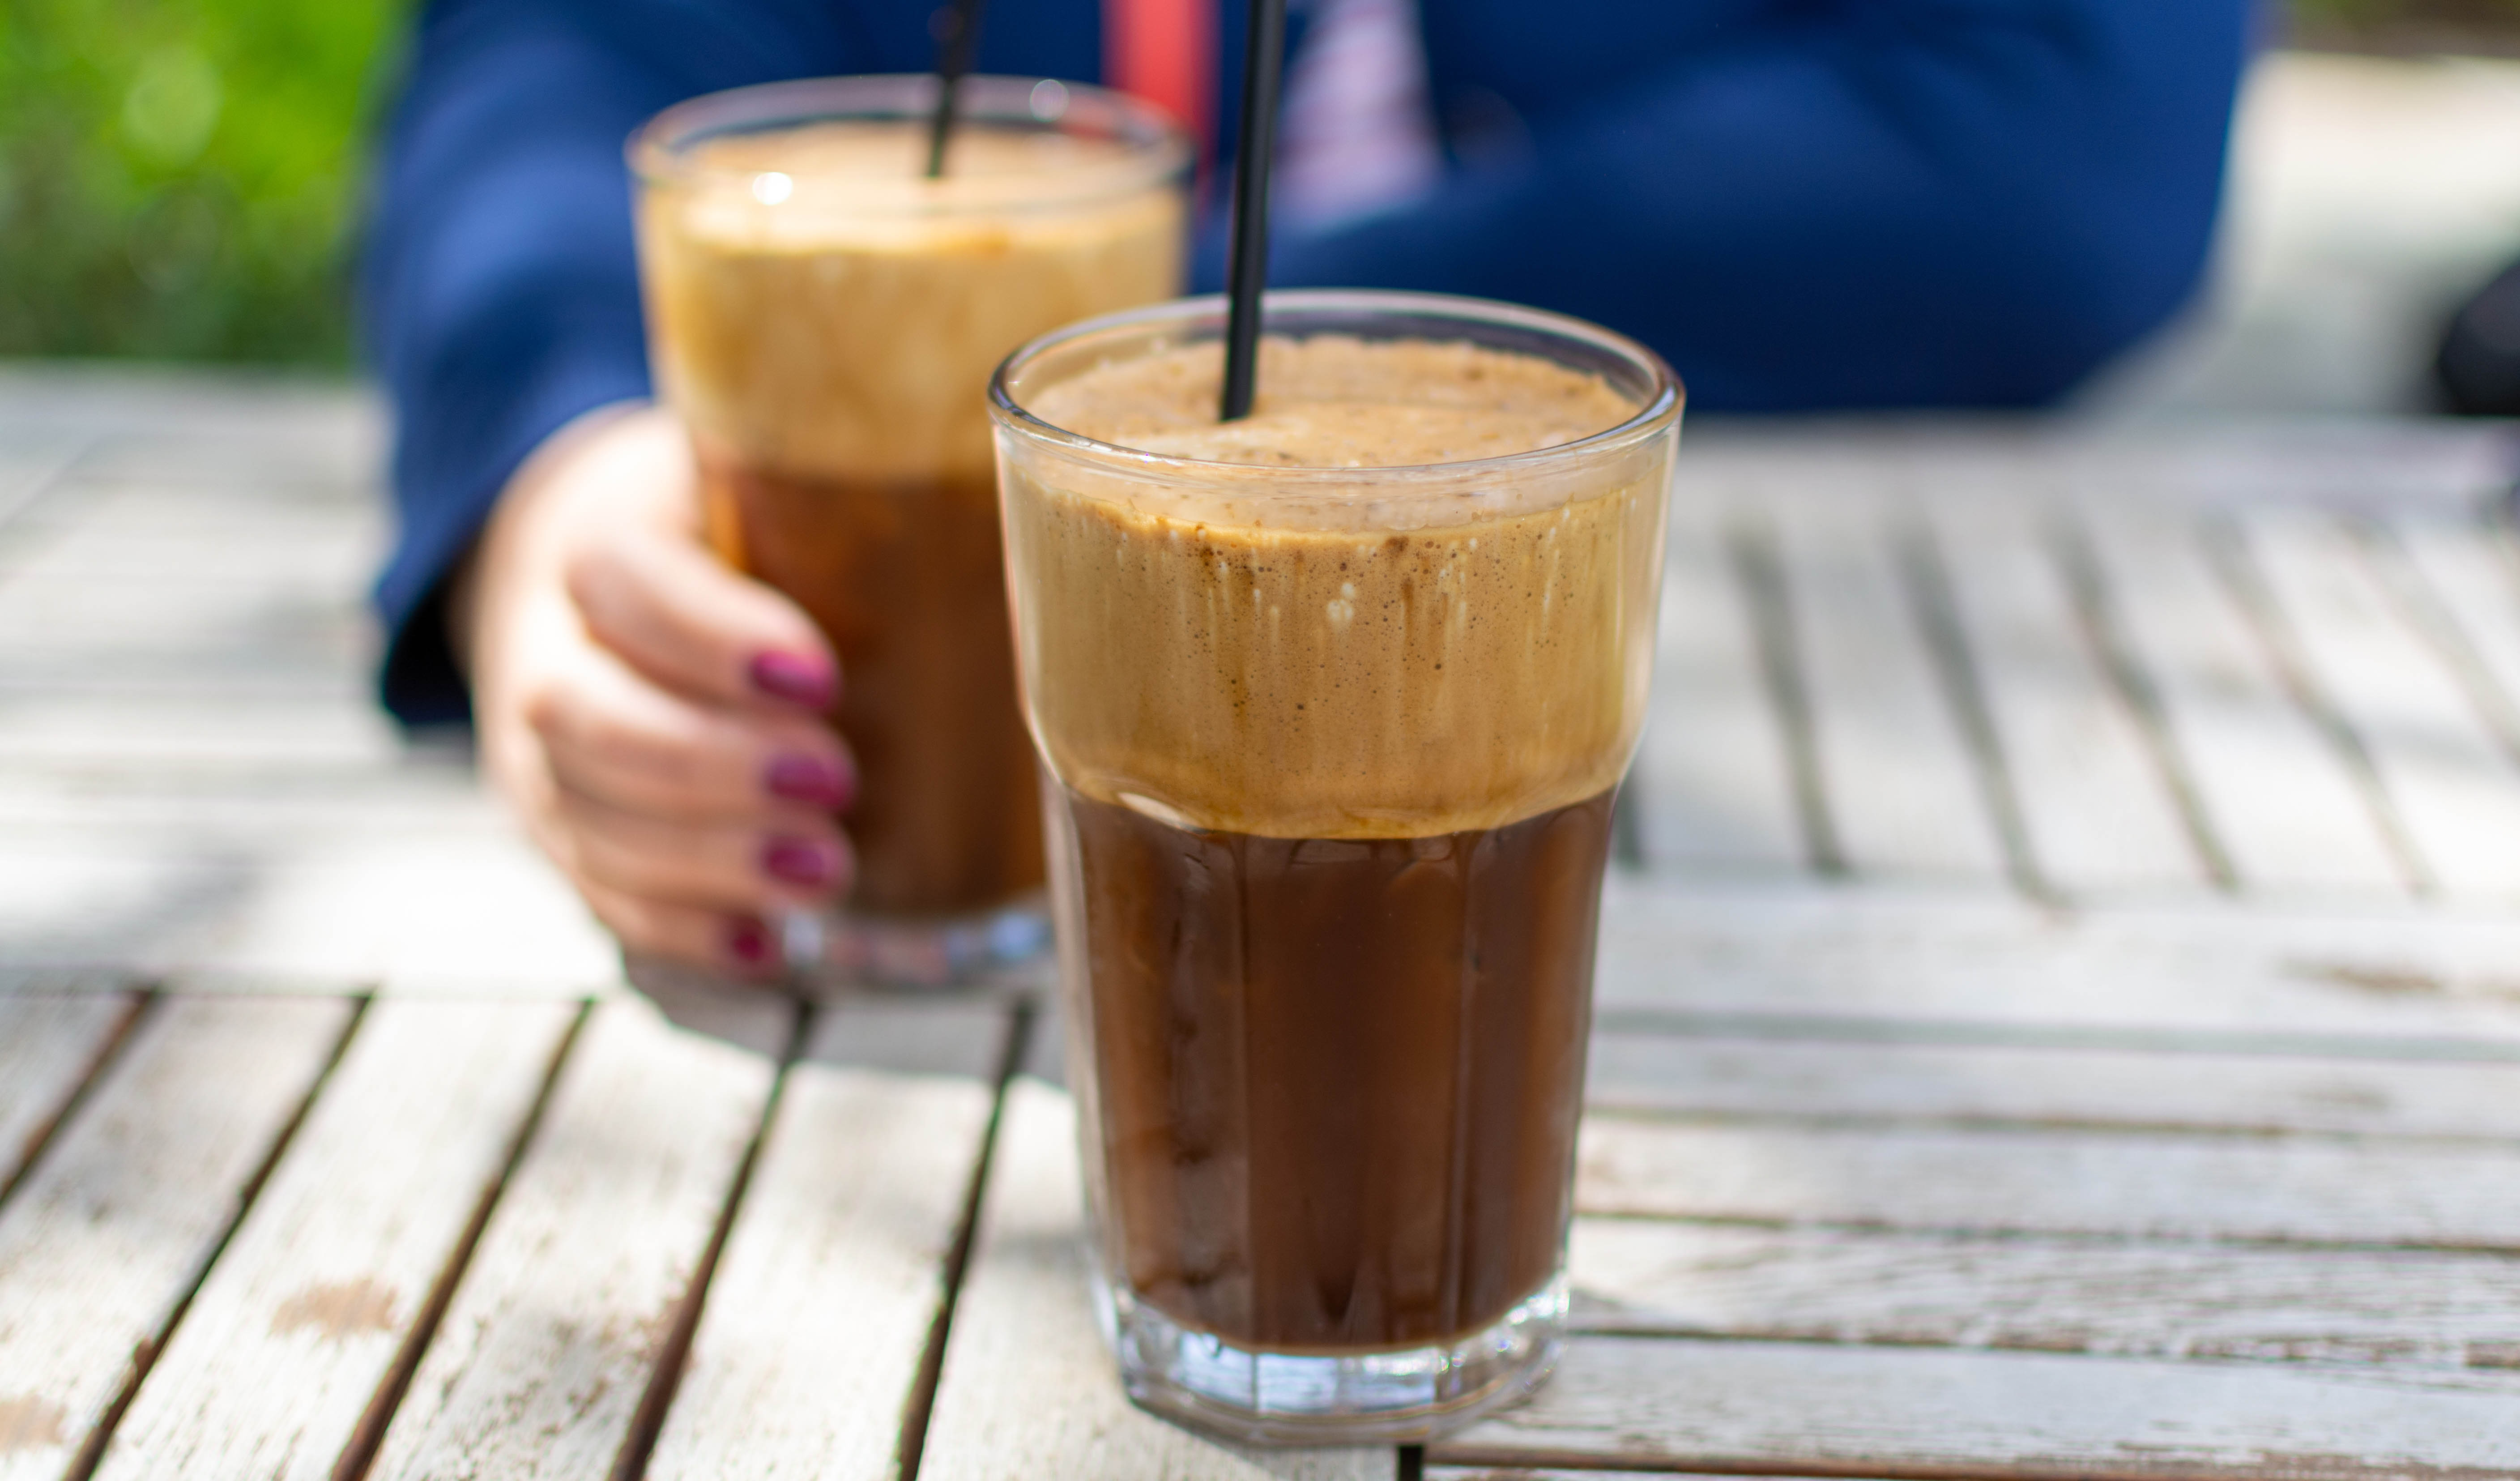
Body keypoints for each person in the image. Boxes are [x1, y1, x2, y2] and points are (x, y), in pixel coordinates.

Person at [366, 0, 2250, 975]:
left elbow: (2063, 131)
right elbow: (544, 65)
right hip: (883, 904)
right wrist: (558, 470)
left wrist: (1169, 337)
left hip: (1832, 747)